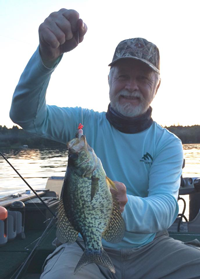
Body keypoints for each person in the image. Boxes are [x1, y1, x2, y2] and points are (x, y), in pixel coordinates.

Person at [10, 8, 200, 279]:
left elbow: (165, 209)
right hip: (82, 245)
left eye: (143, 78)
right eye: (123, 75)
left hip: (152, 248)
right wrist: (46, 57)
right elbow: (24, 114)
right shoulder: (82, 123)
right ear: (109, 80)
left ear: (157, 87)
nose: (131, 86)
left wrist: (125, 205)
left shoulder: (167, 144)